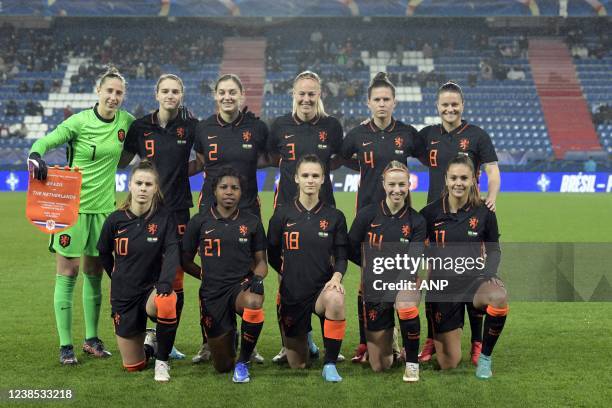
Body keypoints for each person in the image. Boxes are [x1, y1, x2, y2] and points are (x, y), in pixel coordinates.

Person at [28, 66, 134, 365]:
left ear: (123, 97)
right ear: (98, 91)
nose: (113, 97)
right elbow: (45, 142)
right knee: (68, 274)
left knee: (94, 274)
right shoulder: (79, 121)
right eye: (109, 91)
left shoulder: (126, 122)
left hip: (104, 212)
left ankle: (91, 339)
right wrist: (36, 155)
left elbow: (145, 138)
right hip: (70, 211)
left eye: (118, 93)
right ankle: (65, 345)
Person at [415, 81, 500, 365]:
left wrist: (492, 198)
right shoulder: (427, 135)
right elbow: (396, 147)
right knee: (435, 276)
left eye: (455, 104)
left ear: (462, 106)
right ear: (437, 107)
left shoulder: (477, 135)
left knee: (474, 272)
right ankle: (432, 337)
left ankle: (477, 341)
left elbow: (492, 170)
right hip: (435, 215)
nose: (450, 109)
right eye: (445, 105)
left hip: (470, 213)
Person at [341, 72, 419, 363]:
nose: (382, 104)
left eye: (387, 99)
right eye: (377, 99)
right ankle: (366, 341)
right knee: (367, 279)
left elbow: (427, 156)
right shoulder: (358, 134)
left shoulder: (408, 133)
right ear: (368, 103)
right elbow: (342, 156)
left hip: (400, 215)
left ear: (394, 102)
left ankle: (400, 334)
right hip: (368, 214)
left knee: (401, 274)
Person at [267, 70, 343, 362]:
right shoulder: (279, 126)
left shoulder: (332, 127)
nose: (307, 98)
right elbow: (273, 156)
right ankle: (293, 340)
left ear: (319, 94)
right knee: (287, 276)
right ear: (294, 95)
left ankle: (326, 344)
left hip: (324, 212)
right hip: (287, 209)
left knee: (325, 273)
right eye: (302, 93)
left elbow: (339, 157)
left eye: (312, 93)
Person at [121, 73, 199, 360]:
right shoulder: (140, 127)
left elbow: (203, 159)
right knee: (145, 271)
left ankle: (168, 340)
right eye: (165, 90)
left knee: (175, 276)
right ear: (156, 94)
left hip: (178, 209)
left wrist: (180, 174)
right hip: (146, 210)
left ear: (182, 94)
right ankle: (144, 334)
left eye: (175, 91)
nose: (170, 95)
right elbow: (121, 160)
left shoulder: (191, 126)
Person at [192, 73, 268, 363]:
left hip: (248, 209)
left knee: (250, 273)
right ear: (215, 95)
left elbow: (269, 157)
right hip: (209, 211)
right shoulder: (203, 128)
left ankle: (251, 343)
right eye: (222, 92)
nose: (227, 97)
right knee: (210, 277)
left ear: (241, 95)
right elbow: (199, 163)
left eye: (232, 92)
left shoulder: (257, 127)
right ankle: (208, 341)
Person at [420, 155, 508, 379]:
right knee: (448, 363)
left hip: (473, 282)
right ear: (446, 180)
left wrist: (489, 274)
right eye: (454, 178)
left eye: (464, 178)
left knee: (498, 296)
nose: (458, 183)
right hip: (443, 287)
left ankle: (485, 358)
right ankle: (441, 341)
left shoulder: (484, 211)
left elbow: (494, 249)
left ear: (473, 180)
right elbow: (415, 248)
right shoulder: (429, 213)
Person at [182, 167, 267, 383]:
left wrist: (257, 279)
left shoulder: (251, 222)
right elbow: (185, 260)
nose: (229, 192)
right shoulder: (199, 222)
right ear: (214, 191)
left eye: (235, 188)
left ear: (241, 192)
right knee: (222, 366)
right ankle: (232, 340)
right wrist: (205, 275)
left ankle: (244, 361)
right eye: (224, 187)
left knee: (254, 302)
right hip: (212, 294)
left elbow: (261, 262)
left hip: (240, 286)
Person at [267, 155, 348, 382]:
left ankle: (330, 363)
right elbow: (271, 251)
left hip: (321, 290)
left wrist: (337, 277)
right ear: (296, 178)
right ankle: (308, 340)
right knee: (298, 365)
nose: (310, 180)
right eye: (305, 175)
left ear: (323, 179)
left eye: (315, 175)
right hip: (293, 292)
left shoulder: (335, 216)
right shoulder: (282, 215)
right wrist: (284, 272)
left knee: (336, 299)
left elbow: (342, 255)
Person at [97, 161, 179, 382]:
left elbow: (173, 252)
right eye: (139, 183)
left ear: (156, 189)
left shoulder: (164, 218)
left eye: (148, 184)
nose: (143, 188)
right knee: (134, 366)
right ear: (130, 185)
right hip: (124, 296)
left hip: (150, 291)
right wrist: (116, 277)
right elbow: (104, 253)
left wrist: (165, 282)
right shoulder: (115, 220)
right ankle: (150, 344)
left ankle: (162, 362)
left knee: (167, 299)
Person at [348, 161, 426, 381]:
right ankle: (390, 339)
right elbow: (351, 246)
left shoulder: (417, 220)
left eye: (402, 184)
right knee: (380, 365)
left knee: (405, 302)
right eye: (392, 184)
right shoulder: (367, 215)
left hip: (404, 282)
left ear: (409, 185)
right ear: (383, 184)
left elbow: (413, 261)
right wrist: (370, 270)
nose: (397, 190)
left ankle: (412, 363)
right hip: (375, 286)